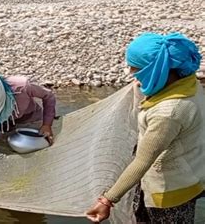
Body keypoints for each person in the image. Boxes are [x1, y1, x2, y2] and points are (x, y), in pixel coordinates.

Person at [86, 32, 205, 223]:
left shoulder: (169, 112)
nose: (135, 78)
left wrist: (107, 200)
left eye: (138, 72)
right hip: (189, 171)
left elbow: (142, 161)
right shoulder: (188, 83)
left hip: (170, 193)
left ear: (158, 70)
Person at [0, 70, 56, 195]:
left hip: (28, 119)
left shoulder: (21, 86)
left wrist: (47, 124)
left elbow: (48, 96)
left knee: (35, 153)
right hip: (0, 128)